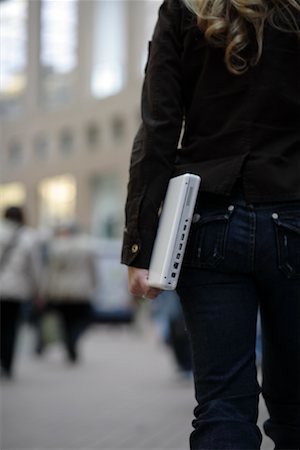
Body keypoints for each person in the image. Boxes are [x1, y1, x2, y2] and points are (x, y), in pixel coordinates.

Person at [121, 1, 300, 448]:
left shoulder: (184, 9)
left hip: (208, 222)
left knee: (222, 407)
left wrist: (139, 246)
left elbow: (159, 126)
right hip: (295, 216)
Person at [43, 221, 97, 363]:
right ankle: (73, 340)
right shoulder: (87, 246)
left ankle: (70, 343)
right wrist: (95, 285)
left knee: (65, 321)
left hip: (61, 290)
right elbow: (93, 270)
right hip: (81, 289)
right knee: (82, 319)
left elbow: (51, 272)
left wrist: (48, 289)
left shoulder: (56, 247)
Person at [0, 206, 42, 379]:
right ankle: (7, 364)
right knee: (10, 327)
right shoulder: (29, 237)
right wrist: (38, 290)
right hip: (15, 290)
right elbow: (35, 267)